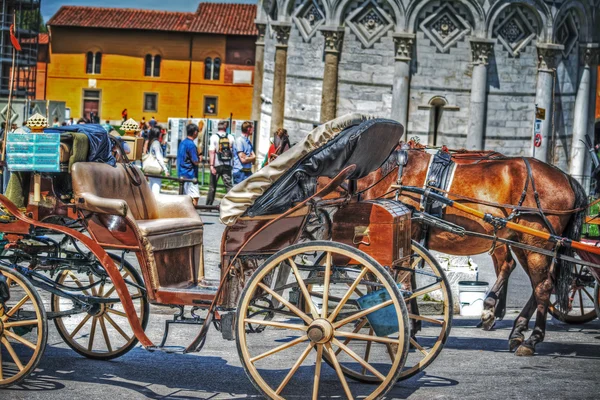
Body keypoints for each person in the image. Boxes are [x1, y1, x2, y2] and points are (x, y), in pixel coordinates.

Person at [206, 120, 234, 205]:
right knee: (228, 186)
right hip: (227, 165)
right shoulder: (231, 137)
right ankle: (231, 205)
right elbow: (232, 151)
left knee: (212, 186)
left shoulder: (214, 137)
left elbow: (212, 151)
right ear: (226, 127)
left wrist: (211, 165)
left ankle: (208, 205)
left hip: (216, 164)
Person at [177, 123, 201, 205]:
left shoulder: (182, 143)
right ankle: (191, 215)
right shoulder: (191, 145)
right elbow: (195, 161)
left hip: (182, 173)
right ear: (195, 132)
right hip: (190, 174)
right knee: (195, 197)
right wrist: (200, 158)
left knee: (184, 197)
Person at [146, 127, 169, 194]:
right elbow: (159, 157)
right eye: (160, 134)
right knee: (156, 190)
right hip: (156, 170)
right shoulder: (156, 143)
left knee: (151, 190)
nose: (161, 135)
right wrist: (165, 169)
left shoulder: (152, 142)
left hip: (151, 169)